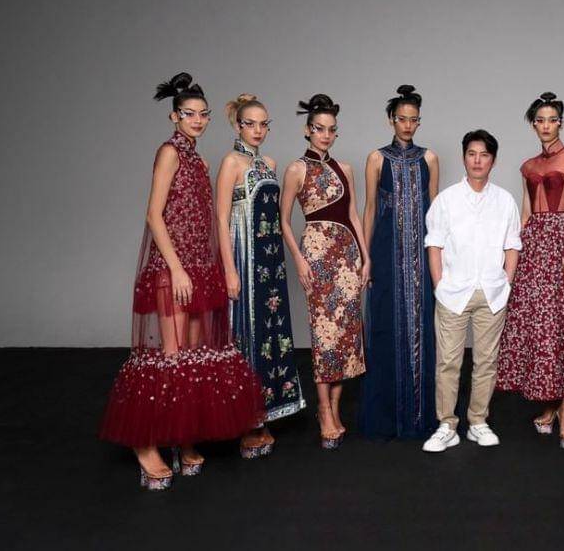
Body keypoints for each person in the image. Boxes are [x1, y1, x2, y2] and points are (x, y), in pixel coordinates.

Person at [99, 72, 263, 490]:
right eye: (189, 114)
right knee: (170, 360)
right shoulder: (169, 152)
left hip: (198, 269)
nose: (198, 120)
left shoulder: (200, 161)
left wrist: (206, 268)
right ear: (174, 116)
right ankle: (146, 445)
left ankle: (182, 438)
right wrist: (175, 269)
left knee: (192, 359)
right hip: (172, 270)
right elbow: (154, 215)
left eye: (203, 114)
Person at [496, 92, 564, 449]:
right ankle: (550, 405)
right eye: (540, 120)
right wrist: (513, 256)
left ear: (561, 122)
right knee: (542, 328)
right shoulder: (528, 166)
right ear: (534, 125)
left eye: (552, 120)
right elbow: (526, 214)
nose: (546, 126)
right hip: (534, 247)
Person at [215, 93, 306, 459]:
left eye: (263, 124)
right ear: (238, 126)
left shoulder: (269, 164)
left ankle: (264, 415)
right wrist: (229, 269)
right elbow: (221, 217)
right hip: (244, 256)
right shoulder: (231, 162)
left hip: (271, 262)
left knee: (269, 332)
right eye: (250, 124)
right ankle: (245, 423)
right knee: (246, 333)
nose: (257, 130)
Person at [421, 130, 522, 453]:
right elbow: (434, 244)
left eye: (484, 155)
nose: (478, 161)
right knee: (448, 362)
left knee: (486, 362)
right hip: (453, 292)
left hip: (492, 292)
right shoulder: (447, 200)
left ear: (494, 160)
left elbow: (512, 245)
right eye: (472, 154)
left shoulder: (504, 200)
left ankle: (478, 421)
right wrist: (439, 285)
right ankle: (447, 425)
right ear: (464, 157)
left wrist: (506, 283)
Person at [280, 94, 369, 449]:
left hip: (348, 255)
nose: (326, 135)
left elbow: (353, 215)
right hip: (317, 253)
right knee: (324, 334)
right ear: (307, 130)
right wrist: (299, 259)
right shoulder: (296, 169)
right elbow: (283, 220)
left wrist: (365, 257)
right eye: (319, 129)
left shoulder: (345, 168)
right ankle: (323, 408)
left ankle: (334, 406)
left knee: (347, 332)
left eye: (331, 130)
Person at [359, 85, 440, 440]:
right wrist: (365, 257)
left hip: (421, 254)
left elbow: (436, 214)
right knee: (385, 325)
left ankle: (421, 413)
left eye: (413, 120)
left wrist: (439, 259)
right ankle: (387, 414)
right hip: (386, 252)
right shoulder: (377, 159)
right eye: (402, 119)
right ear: (391, 120)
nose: (408, 125)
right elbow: (370, 209)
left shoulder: (429, 158)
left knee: (422, 324)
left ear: (419, 121)